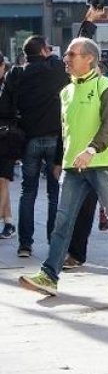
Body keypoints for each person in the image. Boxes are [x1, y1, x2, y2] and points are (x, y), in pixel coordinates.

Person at [19, 36, 108, 296]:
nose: (66, 58)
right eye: (67, 55)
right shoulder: (65, 91)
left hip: (105, 163)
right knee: (63, 221)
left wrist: (91, 149)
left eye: (72, 55)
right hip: (74, 167)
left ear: (89, 59)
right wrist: (60, 161)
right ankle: (49, 275)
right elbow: (65, 131)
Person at [9, 32, 71, 257]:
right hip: (55, 138)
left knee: (28, 192)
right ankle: (54, 242)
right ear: (44, 50)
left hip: (29, 139)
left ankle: (25, 244)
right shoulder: (54, 70)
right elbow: (69, 56)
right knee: (55, 193)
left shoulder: (16, 73)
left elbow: (6, 107)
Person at [0, 54, 19, 239]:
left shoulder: (10, 85)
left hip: (6, 139)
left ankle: (7, 222)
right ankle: (8, 222)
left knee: (2, 180)